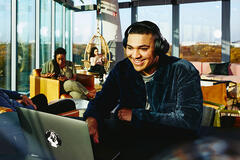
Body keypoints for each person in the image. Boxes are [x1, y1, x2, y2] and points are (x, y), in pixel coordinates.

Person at [83, 21, 203, 160]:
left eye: (143, 48)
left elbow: (188, 120)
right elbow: (102, 101)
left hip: (171, 149)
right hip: (130, 145)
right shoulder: (122, 69)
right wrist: (91, 119)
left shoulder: (182, 70)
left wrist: (136, 116)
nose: (135, 55)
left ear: (158, 47)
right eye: (130, 48)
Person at [0, 88, 75, 114]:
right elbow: (13, 114)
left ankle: (45, 113)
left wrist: (22, 97)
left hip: (22, 106)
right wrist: (31, 106)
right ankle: (45, 118)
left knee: (41, 97)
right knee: (69, 103)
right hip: (26, 114)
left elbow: (10, 93)